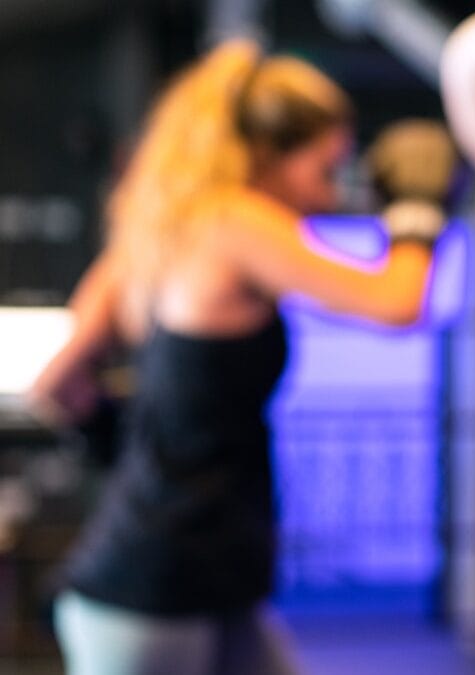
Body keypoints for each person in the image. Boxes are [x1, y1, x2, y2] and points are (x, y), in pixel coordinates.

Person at [27, 40, 433, 675]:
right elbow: (396, 304)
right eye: (324, 170)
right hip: (157, 589)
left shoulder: (161, 229)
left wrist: (128, 445)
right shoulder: (234, 220)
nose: (330, 195)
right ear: (268, 158)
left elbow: (55, 386)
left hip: (198, 573)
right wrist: (418, 210)